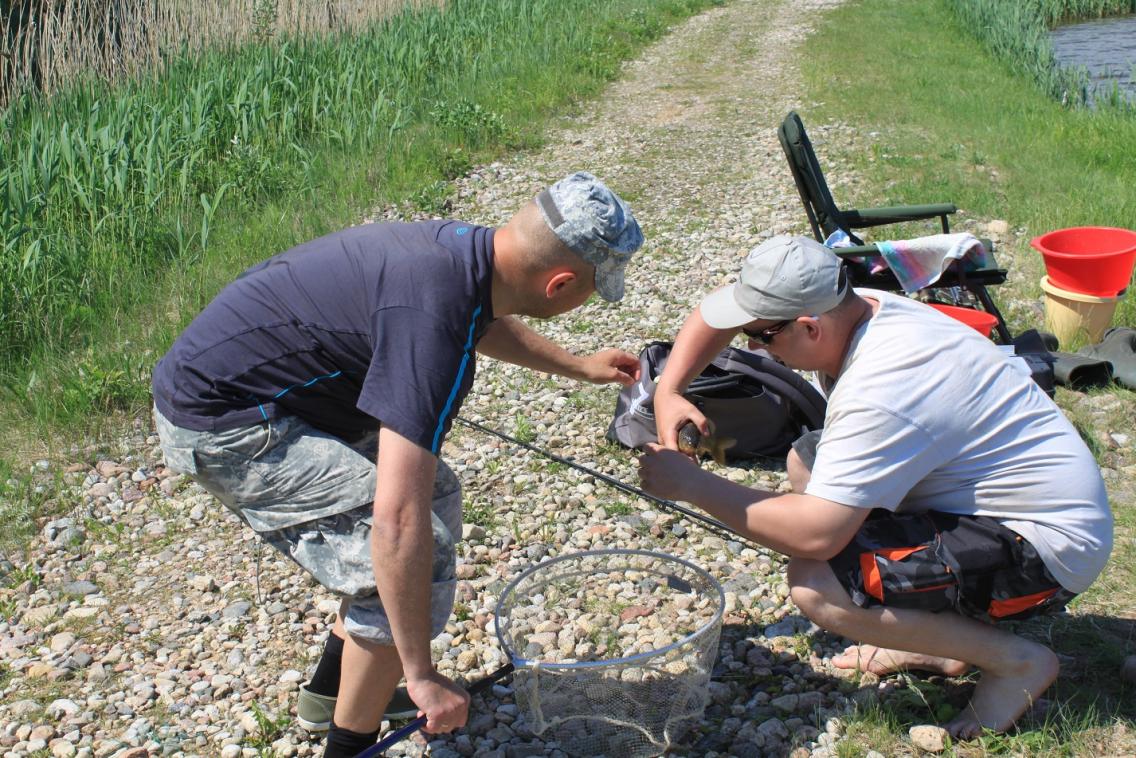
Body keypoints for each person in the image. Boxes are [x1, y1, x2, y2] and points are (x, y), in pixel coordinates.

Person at [152, 171, 644, 757]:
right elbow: (397, 522)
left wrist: (577, 365)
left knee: (435, 495)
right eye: (595, 288)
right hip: (224, 423)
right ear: (560, 284)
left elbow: (480, 319)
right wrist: (422, 675)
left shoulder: (465, 255)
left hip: (261, 390)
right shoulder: (432, 330)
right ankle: (350, 745)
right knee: (409, 550)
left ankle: (332, 690)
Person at [638, 235, 1112, 739]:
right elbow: (717, 315)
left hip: (1045, 547)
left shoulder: (881, 387)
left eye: (760, 337)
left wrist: (691, 484)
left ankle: (1015, 662)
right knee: (806, 461)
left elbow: (816, 535)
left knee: (820, 583)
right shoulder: (859, 305)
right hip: (999, 501)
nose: (753, 347)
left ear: (810, 328)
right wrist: (669, 390)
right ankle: (939, 643)